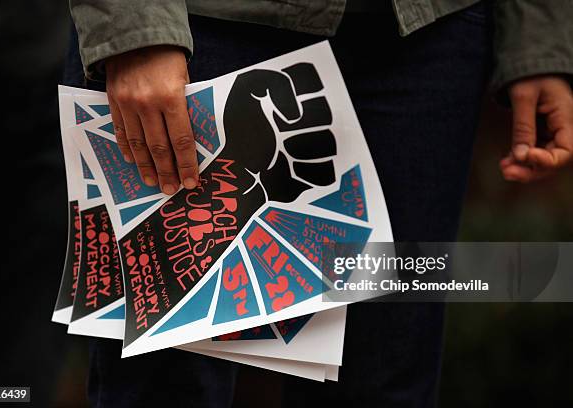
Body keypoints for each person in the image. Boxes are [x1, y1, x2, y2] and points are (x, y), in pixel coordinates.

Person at [65, 0, 573, 406]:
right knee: (168, 386)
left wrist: (538, 34)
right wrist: (135, 21)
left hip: (429, 36)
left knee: (385, 384)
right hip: (205, 28)